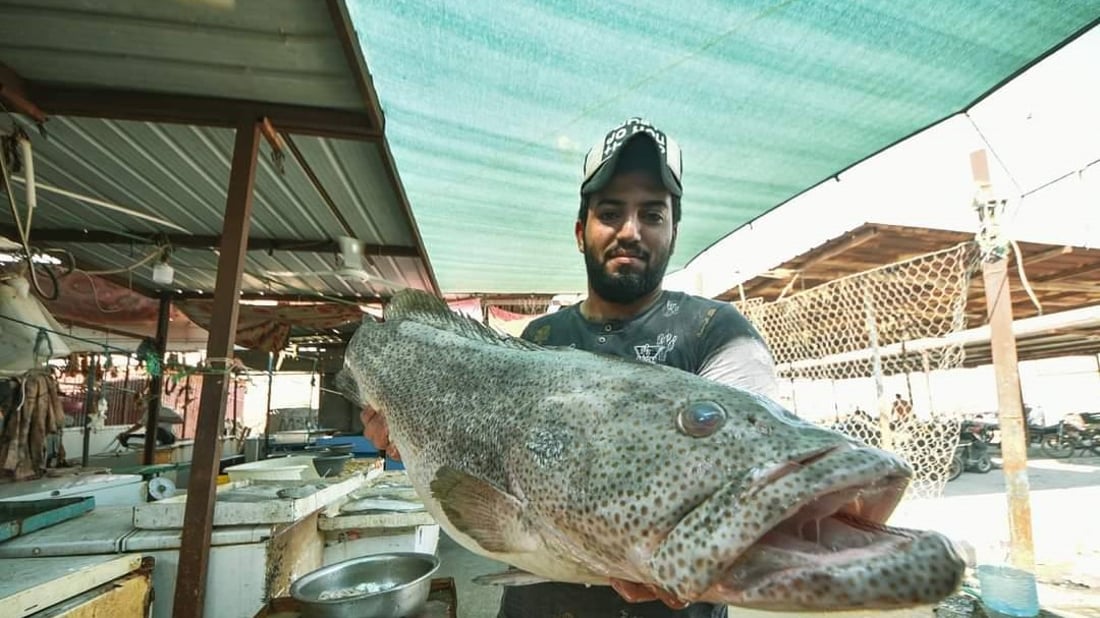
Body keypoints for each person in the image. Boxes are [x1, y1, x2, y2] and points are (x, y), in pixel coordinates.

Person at [362, 117, 779, 618]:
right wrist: (405, 434)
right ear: (581, 232)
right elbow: (470, 474)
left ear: (673, 231)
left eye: (652, 214)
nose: (630, 230)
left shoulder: (715, 330)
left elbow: (752, 467)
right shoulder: (539, 338)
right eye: (610, 212)